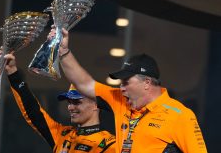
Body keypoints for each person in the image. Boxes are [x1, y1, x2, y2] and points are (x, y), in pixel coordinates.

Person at [53, 27, 207, 153]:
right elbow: (84, 83)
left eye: (126, 82)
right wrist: (64, 51)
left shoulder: (179, 116)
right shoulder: (120, 100)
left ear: (146, 82)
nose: (121, 87)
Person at [0, 52, 116, 153]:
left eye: (76, 102)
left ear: (96, 104)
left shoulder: (110, 145)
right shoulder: (63, 135)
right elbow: (33, 112)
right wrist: (12, 72)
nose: (70, 107)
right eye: (69, 102)